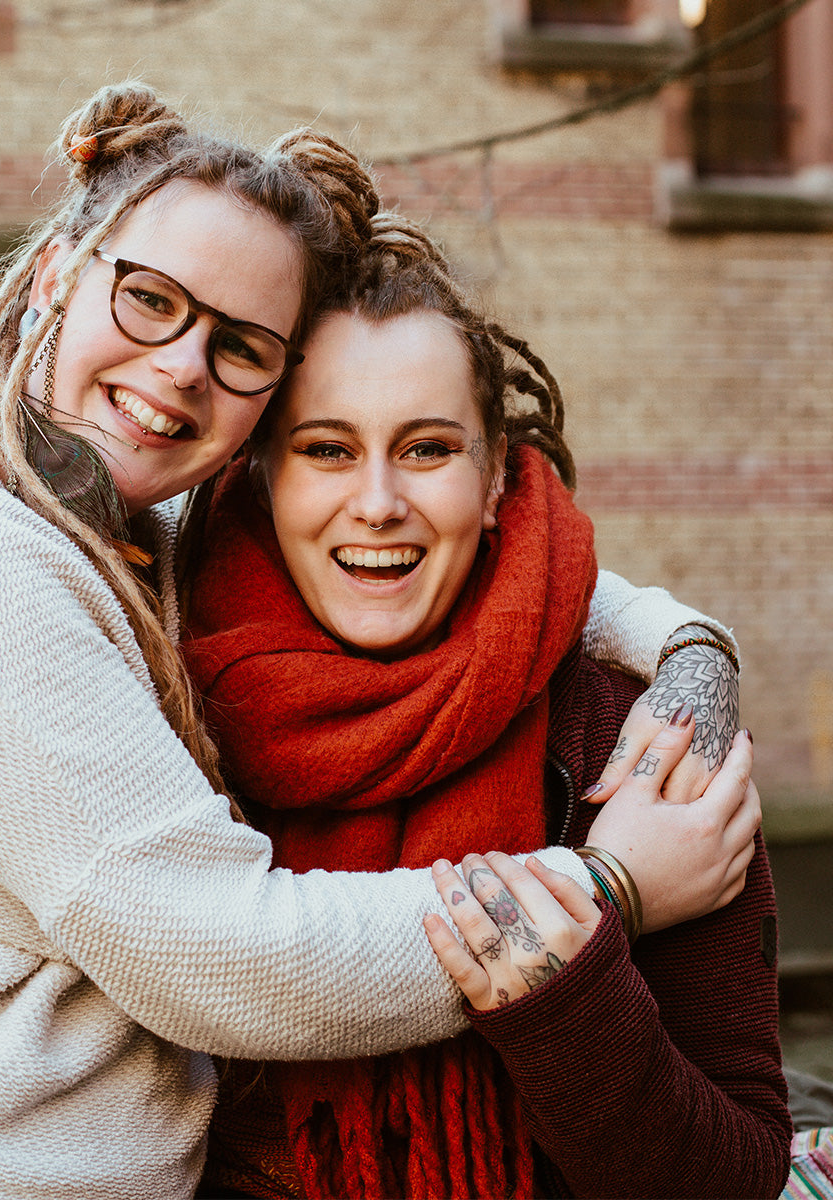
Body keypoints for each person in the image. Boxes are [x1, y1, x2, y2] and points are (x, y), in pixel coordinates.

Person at [0, 85, 760, 1200]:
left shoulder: (141, 551)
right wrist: (607, 887)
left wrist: (686, 645)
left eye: (241, 346)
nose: (185, 364)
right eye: (150, 299)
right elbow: (224, 957)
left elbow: (523, 584)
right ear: (58, 272)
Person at [181, 213, 789, 1199]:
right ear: (260, 473)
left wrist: (566, 991)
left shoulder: (640, 739)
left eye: (425, 449)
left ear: (494, 469)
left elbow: (736, 1177)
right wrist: (609, 889)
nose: (377, 502)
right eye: (328, 450)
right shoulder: (170, 722)